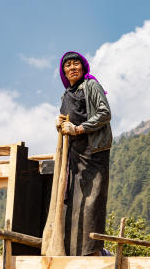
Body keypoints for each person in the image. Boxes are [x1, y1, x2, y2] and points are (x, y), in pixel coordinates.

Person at [56, 51, 112, 256]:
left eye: (76, 63)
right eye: (67, 65)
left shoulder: (91, 86)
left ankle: (92, 251)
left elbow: (105, 113)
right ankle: (74, 251)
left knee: (92, 201)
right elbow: (67, 123)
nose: (72, 68)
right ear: (63, 72)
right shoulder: (66, 95)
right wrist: (60, 125)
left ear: (83, 66)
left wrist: (79, 129)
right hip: (74, 155)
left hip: (94, 151)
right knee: (74, 203)